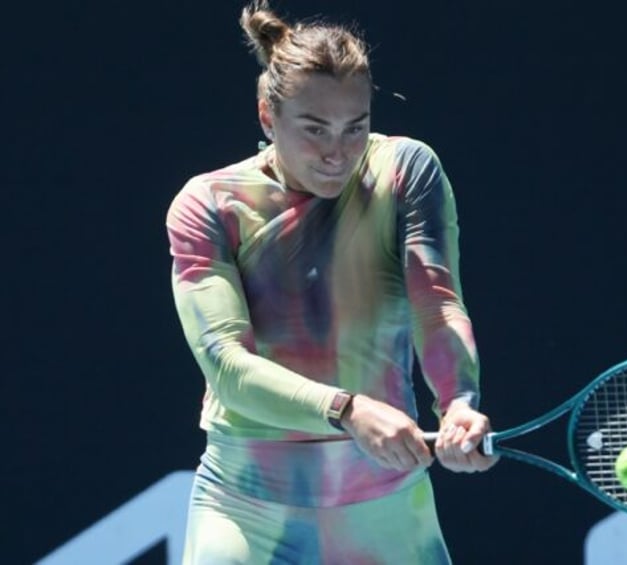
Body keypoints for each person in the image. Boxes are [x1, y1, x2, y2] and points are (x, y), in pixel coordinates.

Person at [166, 1, 497, 562]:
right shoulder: (209, 204)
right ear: (267, 116)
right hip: (247, 506)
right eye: (314, 128)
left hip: (387, 509)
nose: (337, 153)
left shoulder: (404, 170)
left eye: (356, 127)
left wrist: (458, 401)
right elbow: (226, 365)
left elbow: (436, 305)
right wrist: (348, 409)